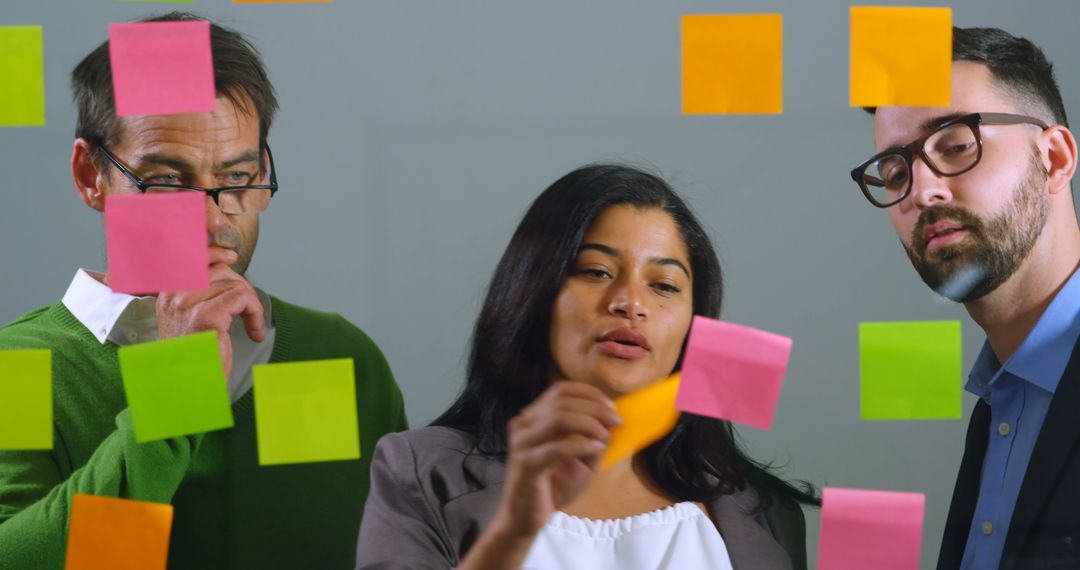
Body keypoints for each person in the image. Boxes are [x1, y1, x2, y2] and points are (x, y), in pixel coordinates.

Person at [0, 12, 407, 570]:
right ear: (91, 177)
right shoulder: (19, 367)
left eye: (236, 179)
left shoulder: (338, 354)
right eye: (168, 181)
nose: (214, 222)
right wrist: (177, 390)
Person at [356, 164, 816, 570]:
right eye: (596, 271)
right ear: (532, 290)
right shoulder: (419, 470)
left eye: (665, 285)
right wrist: (514, 531)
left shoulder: (763, 508)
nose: (631, 303)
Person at [850, 27, 1080, 570]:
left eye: (955, 146)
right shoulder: (1000, 401)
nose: (922, 190)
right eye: (895, 171)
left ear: (1054, 157)